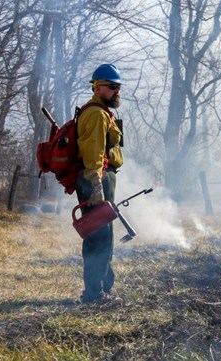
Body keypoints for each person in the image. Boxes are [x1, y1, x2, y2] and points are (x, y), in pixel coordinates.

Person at [76, 63, 124, 303]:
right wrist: (96, 186)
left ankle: (102, 286)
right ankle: (94, 293)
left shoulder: (102, 112)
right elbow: (93, 153)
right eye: (112, 86)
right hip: (96, 180)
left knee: (103, 233)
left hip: (103, 179)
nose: (117, 91)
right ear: (97, 87)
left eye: (118, 87)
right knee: (98, 235)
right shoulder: (95, 114)